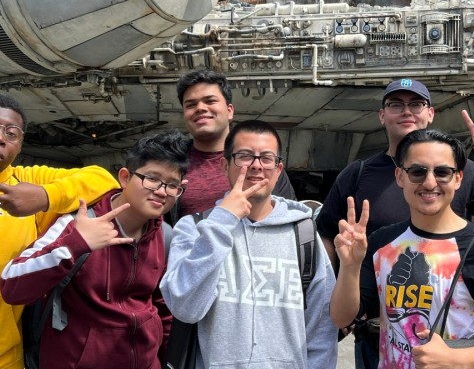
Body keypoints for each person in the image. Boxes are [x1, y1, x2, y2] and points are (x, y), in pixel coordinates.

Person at [315, 78, 474, 366]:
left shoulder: (462, 171)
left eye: (416, 104)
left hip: (449, 335)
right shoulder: (358, 173)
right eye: (396, 105)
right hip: (376, 332)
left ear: (430, 114)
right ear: (382, 115)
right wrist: (338, 291)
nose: (407, 112)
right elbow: (327, 232)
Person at [329, 129, 474, 368]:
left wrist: (455, 359)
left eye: (442, 172)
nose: (430, 183)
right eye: (417, 172)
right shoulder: (380, 243)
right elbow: (341, 317)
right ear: (400, 176)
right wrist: (349, 267)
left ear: (458, 178)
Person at [1, 130, 189, 369]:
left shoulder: (164, 236)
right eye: (152, 179)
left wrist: (167, 361)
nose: (162, 191)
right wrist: (75, 244)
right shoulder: (79, 223)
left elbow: (162, 307)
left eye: (172, 185)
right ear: (124, 177)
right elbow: (11, 284)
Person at [160, 120, 338, 368]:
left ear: (278, 170)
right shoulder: (194, 228)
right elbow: (184, 308)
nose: (256, 165)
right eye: (244, 156)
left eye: (266, 158)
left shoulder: (304, 233)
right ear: (225, 165)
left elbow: (321, 327)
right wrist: (223, 221)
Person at [0, 95, 120, 369]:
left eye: (11, 133)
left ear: (20, 144)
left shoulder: (25, 181)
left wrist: (45, 196)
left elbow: (101, 179)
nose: (2, 138)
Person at [169, 70, 295, 223]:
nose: (200, 108)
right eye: (191, 104)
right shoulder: (171, 165)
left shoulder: (265, 164)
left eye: (210, 101)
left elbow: (289, 217)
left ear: (229, 111)